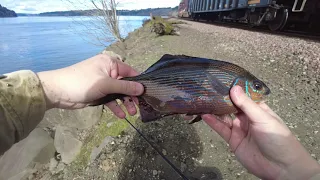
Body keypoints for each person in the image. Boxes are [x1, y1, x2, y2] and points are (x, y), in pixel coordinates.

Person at [0, 53, 319, 180]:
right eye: (257, 88)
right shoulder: (233, 81)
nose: (261, 92)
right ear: (241, 88)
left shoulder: (234, 82)